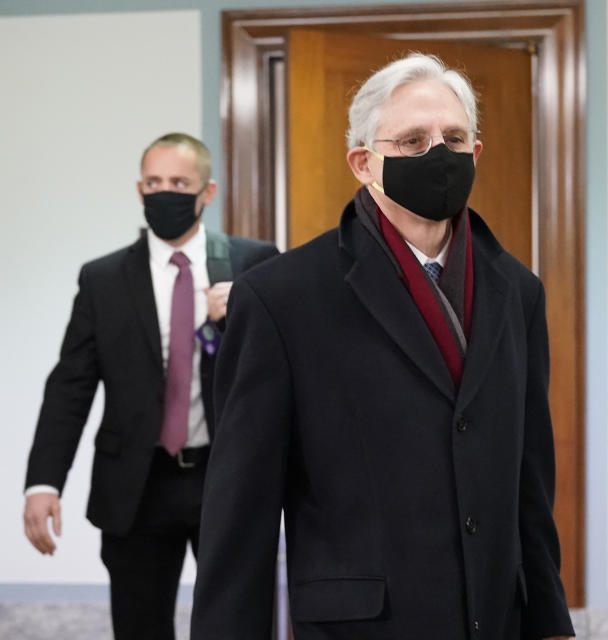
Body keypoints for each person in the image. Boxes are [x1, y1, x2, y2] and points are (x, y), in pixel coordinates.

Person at [190, 54, 575, 640]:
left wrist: (551, 622)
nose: (437, 154)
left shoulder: (517, 289)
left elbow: (530, 479)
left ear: (476, 154)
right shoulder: (281, 297)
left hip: (494, 617)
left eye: (453, 138)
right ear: (363, 162)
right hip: (361, 623)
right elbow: (241, 509)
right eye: (413, 140)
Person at [22, 132, 279, 640]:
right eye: (155, 182)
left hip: (225, 476)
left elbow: (283, 371)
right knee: (140, 626)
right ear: (139, 190)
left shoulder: (254, 264)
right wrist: (43, 483)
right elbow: (71, 385)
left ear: (207, 192)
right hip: (136, 485)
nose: (166, 193)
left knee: (239, 624)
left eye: (179, 183)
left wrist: (238, 320)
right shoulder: (103, 279)